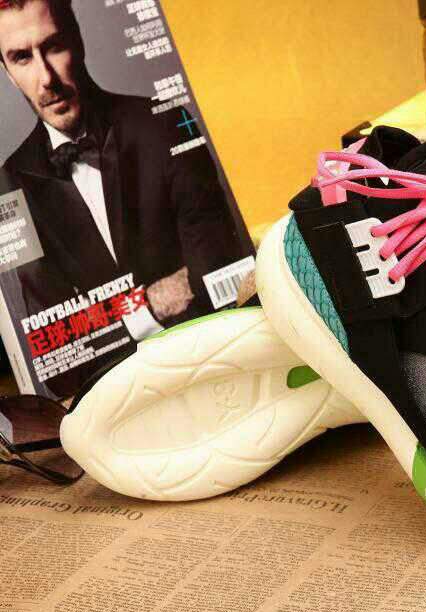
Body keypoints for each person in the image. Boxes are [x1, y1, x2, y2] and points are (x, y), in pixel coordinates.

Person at [0, 0, 245, 397]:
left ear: (77, 41)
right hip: (117, 400)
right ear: (8, 73)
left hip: (216, 363)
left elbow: (220, 275)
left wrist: (97, 327)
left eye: (54, 46)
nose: (46, 78)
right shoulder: (9, 185)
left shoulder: (166, 122)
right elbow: (58, 366)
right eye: (22, 58)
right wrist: (149, 304)